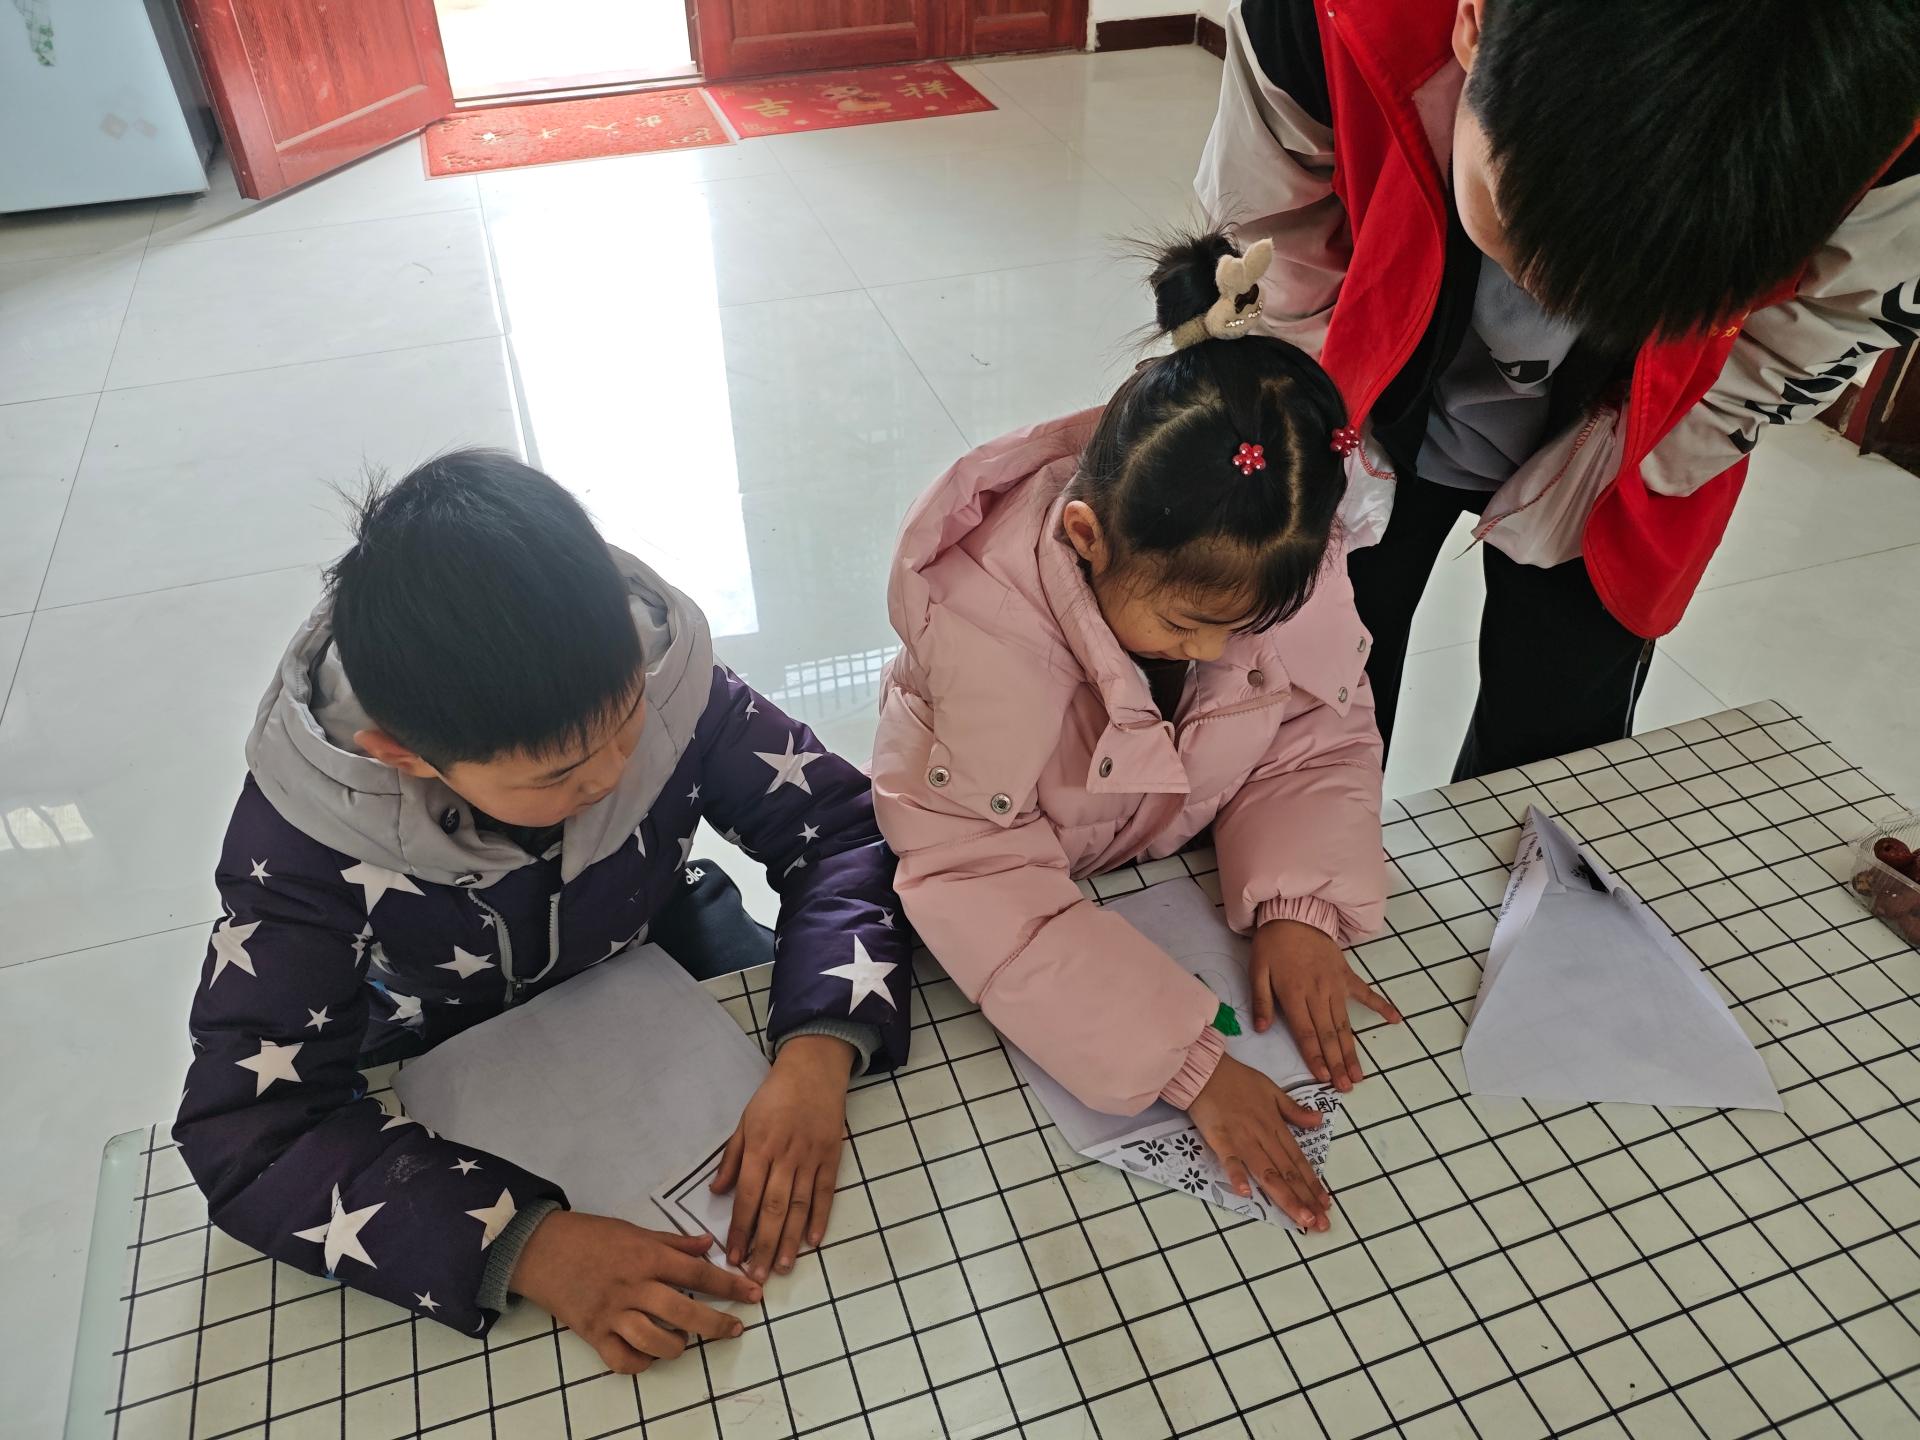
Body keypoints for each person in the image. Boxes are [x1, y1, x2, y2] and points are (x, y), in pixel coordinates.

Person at [173, 451, 911, 1373]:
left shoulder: (660, 677)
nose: (612, 775)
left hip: (653, 938)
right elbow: (250, 1130)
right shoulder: (306, 842)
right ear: (405, 756)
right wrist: (527, 1245)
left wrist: (819, 1052)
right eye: (559, 774)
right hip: (437, 1025)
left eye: (628, 722)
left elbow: (842, 831)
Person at [1198, 0, 1920, 778]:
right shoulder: (1319, 18)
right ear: (1475, 24)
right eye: (1521, 231)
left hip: (1637, 434)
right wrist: (1316, 413)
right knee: (1309, 694)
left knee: (1558, 745)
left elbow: (1820, 325)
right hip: (1364, 397)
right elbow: (1267, 240)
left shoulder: (1893, 136)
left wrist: (1646, 450)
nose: (1554, 303)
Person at [871, 232, 1396, 1232]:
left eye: (1248, 626)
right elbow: (976, 877)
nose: (1217, 652)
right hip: (1019, 899)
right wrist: (1186, 1063)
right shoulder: (976, 647)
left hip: (1145, 870)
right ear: (1086, 537)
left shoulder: (1278, 565)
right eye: (1190, 625)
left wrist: (1299, 905)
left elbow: (1314, 739)